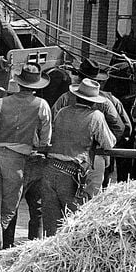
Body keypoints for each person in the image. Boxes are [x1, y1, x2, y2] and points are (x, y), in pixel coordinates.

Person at [0, 64, 52, 269]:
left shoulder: (1, 103)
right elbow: (45, 140)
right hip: (17, 162)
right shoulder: (42, 105)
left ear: (20, 82)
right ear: (36, 85)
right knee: (7, 211)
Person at [42, 78, 116, 234]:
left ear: (75, 96)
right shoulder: (96, 116)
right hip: (72, 172)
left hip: (50, 167)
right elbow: (108, 143)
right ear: (94, 102)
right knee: (74, 222)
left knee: (51, 221)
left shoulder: (62, 112)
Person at [51, 59, 128, 194]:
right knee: (93, 196)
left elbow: (52, 122)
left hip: (65, 156)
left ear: (80, 77)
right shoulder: (109, 101)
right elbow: (121, 127)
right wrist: (102, 145)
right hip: (96, 157)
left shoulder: (64, 99)